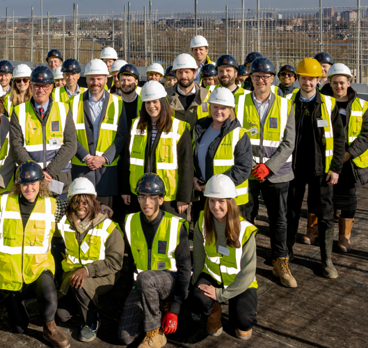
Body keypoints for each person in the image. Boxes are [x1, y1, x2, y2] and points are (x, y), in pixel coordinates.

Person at [0, 161, 70, 348]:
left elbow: (78, 210)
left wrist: (99, 210)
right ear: (18, 185)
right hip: (10, 273)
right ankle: (17, 302)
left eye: (33, 183)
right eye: (24, 184)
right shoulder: (1, 203)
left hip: (38, 269)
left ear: (41, 183)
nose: (29, 188)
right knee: (19, 327)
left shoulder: (53, 206)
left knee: (50, 293)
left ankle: (50, 328)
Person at [235, 57, 298, 288]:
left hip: (277, 173)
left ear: (273, 79)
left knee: (278, 220)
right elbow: (234, 136)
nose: (261, 80)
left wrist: (268, 166)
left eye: (266, 76)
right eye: (257, 76)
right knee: (245, 218)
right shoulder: (239, 101)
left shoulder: (285, 105)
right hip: (247, 172)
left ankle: (280, 260)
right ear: (250, 78)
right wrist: (251, 164)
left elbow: (289, 142)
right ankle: (244, 260)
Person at [118, 173, 191, 348]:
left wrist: (175, 308)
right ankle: (153, 311)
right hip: (143, 285)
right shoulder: (130, 221)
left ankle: (155, 333)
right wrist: (130, 291)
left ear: (161, 199)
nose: (146, 202)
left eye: (152, 197)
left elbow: (184, 271)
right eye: (142, 196)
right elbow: (132, 262)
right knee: (124, 337)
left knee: (146, 278)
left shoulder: (175, 225)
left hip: (169, 283)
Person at [286, 58, 345, 279]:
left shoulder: (329, 105)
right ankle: (287, 251)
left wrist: (336, 168)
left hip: (321, 171)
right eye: (303, 78)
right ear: (297, 79)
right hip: (294, 168)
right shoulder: (289, 102)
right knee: (291, 211)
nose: (307, 82)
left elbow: (339, 140)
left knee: (326, 214)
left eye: (312, 79)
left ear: (318, 80)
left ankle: (326, 260)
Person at [189, 174, 259, 341]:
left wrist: (221, 295)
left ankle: (236, 309)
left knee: (244, 323)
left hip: (239, 282)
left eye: (221, 201)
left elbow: (248, 273)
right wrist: (195, 289)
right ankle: (214, 312)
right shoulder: (202, 223)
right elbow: (198, 258)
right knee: (197, 299)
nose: (216, 206)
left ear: (230, 202)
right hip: (212, 276)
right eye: (212, 200)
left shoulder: (245, 230)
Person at [55, 177, 124, 342]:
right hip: (71, 276)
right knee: (60, 316)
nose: (80, 207)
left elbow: (116, 262)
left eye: (85, 203)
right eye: (76, 202)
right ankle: (82, 303)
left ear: (93, 202)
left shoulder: (108, 226)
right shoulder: (64, 223)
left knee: (81, 285)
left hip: (102, 275)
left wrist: (87, 270)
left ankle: (91, 321)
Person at [122, 81, 193, 216]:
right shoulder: (135, 125)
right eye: (147, 102)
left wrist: (183, 198)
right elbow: (127, 160)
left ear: (163, 102)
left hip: (168, 197)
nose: (151, 106)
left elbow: (187, 165)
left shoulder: (179, 127)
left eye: (155, 102)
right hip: (140, 194)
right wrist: (125, 189)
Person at [320, 63, 368, 253]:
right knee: (323, 195)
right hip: (325, 158)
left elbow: (366, 135)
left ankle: (344, 237)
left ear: (350, 82)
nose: (338, 86)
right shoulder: (322, 102)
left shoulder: (362, 105)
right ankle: (316, 230)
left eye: (342, 83)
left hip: (350, 160)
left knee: (348, 197)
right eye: (335, 83)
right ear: (329, 83)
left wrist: (347, 155)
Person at [10, 65, 77, 197]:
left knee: (59, 216)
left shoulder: (64, 109)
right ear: (31, 87)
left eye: (45, 86)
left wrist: (50, 172)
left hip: (59, 179)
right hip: (30, 181)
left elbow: (71, 145)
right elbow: (16, 147)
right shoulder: (19, 111)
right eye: (37, 86)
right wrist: (36, 173)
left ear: (51, 87)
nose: (40, 90)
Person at [70, 59, 128, 206]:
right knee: (81, 214)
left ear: (106, 79)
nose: (95, 82)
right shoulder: (73, 103)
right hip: (81, 170)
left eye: (99, 78)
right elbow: (69, 135)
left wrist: (104, 158)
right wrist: (86, 156)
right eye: (92, 78)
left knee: (104, 218)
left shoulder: (118, 103)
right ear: (86, 79)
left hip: (106, 173)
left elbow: (121, 136)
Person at [192, 88, 252, 224]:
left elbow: (243, 168)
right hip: (205, 196)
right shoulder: (199, 128)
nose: (218, 111)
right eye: (215, 107)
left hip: (231, 200)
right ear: (209, 107)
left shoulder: (239, 134)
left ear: (231, 109)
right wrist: (193, 177)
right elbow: (192, 158)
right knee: (207, 237)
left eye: (223, 108)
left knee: (231, 238)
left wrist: (215, 186)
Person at [166, 53, 211, 128]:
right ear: (175, 74)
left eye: (187, 72)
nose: (183, 76)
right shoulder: (165, 95)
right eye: (180, 72)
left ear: (194, 74)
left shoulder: (207, 95)